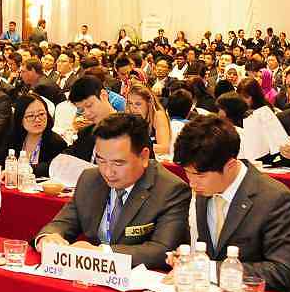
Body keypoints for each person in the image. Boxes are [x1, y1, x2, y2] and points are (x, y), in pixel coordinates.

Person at [34, 114, 189, 270]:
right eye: (101, 160)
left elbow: (162, 250)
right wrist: (48, 237)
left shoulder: (170, 190)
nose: (108, 172)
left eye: (118, 163)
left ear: (143, 156)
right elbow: (63, 222)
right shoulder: (90, 179)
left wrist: (102, 253)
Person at [172, 115, 290, 292]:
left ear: (230, 166)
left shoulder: (275, 199)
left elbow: (282, 271)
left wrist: (209, 269)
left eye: (200, 175)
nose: (192, 183)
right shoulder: (205, 189)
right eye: (187, 173)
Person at [8, 93, 69, 177]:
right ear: (20, 119)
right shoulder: (13, 139)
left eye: (41, 114)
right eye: (30, 116)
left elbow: (52, 170)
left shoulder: (57, 143)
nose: (37, 120)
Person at [64, 75, 116, 162]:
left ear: (103, 96)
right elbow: (67, 156)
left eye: (89, 105)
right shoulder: (85, 133)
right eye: (81, 110)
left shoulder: (129, 129)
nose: (87, 113)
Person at [125, 82, 172, 159]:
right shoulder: (129, 117)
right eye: (130, 103)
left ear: (149, 103)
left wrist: (134, 147)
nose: (133, 108)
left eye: (138, 104)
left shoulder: (158, 115)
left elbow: (165, 148)